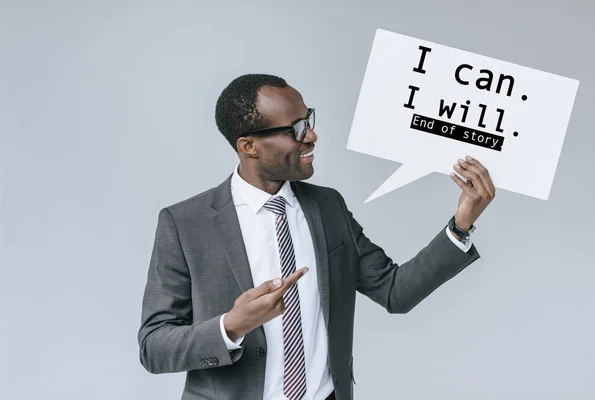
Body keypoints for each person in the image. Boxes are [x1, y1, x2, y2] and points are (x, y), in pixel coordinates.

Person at [137, 74, 495, 400]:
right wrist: (231, 326)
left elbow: (394, 291)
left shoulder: (328, 207)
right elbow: (154, 347)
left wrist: (461, 224)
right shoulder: (185, 223)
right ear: (249, 146)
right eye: (295, 128)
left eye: (308, 120)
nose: (311, 135)